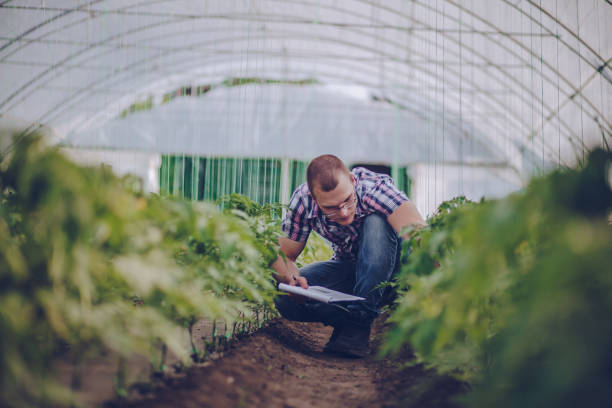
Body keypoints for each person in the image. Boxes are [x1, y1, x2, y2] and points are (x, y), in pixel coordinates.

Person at [272, 154, 426, 358]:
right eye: (331, 208)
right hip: (352, 271)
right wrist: (292, 280)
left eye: (347, 200)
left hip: (395, 274)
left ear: (353, 181)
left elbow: (420, 238)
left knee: (376, 222)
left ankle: (357, 326)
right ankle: (357, 314)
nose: (344, 212)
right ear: (313, 196)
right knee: (284, 298)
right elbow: (285, 255)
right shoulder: (302, 201)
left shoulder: (376, 190)